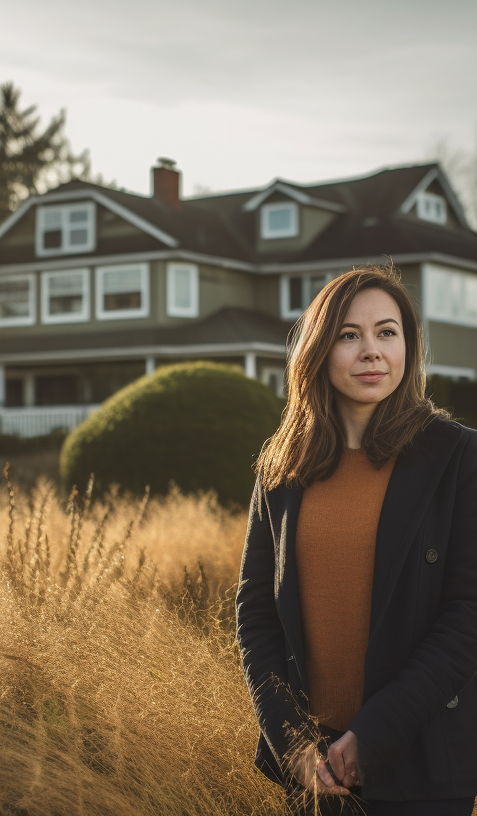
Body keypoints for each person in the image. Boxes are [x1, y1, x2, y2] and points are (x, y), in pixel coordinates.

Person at [236, 263, 477, 815]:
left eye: (386, 332)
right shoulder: (282, 467)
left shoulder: (458, 457)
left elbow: (468, 615)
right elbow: (255, 613)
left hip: (421, 762)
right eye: (350, 335)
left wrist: (372, 737)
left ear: (407, 347)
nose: (372, 351)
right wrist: (293, 746)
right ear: (319, 351)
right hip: (313, 771)